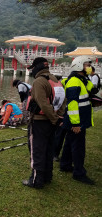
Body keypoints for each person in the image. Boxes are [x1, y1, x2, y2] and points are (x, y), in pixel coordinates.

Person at [23, 57, 66, 189]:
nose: (32, 71)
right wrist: (58, 117)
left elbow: (43, 104)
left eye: (33, 68)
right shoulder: (55, 79)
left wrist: (54, 118)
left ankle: (36, 180)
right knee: (48, 149)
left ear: (38, 67)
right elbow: (63, 100)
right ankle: (47, 176)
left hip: (39, 122)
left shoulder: (39, 82)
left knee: (37, 150)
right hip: (52, 123)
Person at [60, 56, 95, 185]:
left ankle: (65, 164)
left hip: (77, 119)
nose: (89, 67)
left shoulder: (81, 80)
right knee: (78, 147)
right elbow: (72, 103)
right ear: (80, 65)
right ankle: (79, 173)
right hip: (76, 120)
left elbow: (90, 90)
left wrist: (88, 77)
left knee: (69, 142)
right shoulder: (74, 81)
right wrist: (76, 123)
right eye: (87, 65)